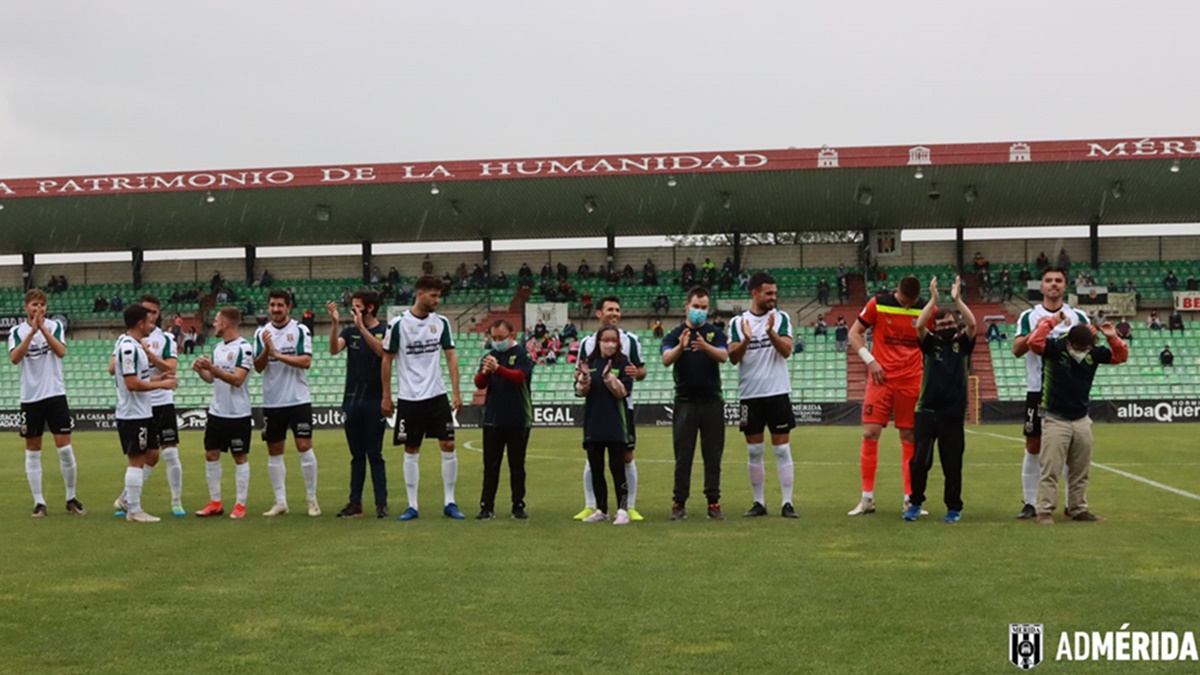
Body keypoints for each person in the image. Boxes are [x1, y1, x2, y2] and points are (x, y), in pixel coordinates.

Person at [1027, 317, 1127, 524]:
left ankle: (1078, 509)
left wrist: (1112, 337)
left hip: (1081, 418)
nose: (1082, 352)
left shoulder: (1093, 353)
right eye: (1079, 348)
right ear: (1069, 343)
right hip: (1055, 418)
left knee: (1081, 469)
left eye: (1086, 348)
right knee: (1051, 468)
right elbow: (1034, 343)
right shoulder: (1055, 349)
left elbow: (1120, 356)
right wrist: (1049, 323)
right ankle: (1044, 510)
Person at [381, 275, 465, 521]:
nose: (437, 300)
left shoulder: (441, 323)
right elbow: (387, 359)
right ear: (420, 294)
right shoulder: (398, 324)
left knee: (448, 444)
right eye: (433, 295)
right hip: (409, 397)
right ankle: (412, 505)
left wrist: (457, 391)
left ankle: (450, 502)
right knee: (411, 448)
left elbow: (451, 356)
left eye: (439, 296)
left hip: (437, 395)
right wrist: (387, 395)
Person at [846, 275, 929, 517]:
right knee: (870, 432)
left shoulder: (925, 307)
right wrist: (870, 361)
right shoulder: (878, 303)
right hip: (880, 378)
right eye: (903, 301)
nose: (906, 306)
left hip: (911, 379)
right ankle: (867, 498)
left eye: (910, 302)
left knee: (909, 435)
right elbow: (854, 333)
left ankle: (909, 500)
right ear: (896, 292)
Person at [1012, 268, 1089, 519]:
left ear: (1065, 286)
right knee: (1033, 445)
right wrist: (1041, 331)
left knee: (1070, 448)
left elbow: (1089, 349)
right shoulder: (1029, 316)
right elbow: (1017, 350)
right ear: (1041, 287)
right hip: (1038, 390)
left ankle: (1071, 505)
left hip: (1069, 391)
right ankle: (1031, 503)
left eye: (1058, 280)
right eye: (1048, 281)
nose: (1053, 284)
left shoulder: (1078, 316)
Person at [905, 276, 976, 523]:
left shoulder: (963, 344)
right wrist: (934, 299)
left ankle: (954, 508)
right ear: (936, 326)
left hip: (953, 413)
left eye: (951, 322)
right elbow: (920, 326)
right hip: (926, 410)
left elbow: (972, 324)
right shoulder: (931, 343)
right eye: (942, 323)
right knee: (920, 461)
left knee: (952, 463)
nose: (947, 326)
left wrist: (957, 300)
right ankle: (915, 503)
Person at [728, 273, 798, 519]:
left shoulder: (780, 318)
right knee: (754, 451)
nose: (773, 298)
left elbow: (787, 350)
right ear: (754, 293)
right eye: (769, 293)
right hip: (750, 395)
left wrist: (771, 334)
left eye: (775, 293)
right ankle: (759, 503)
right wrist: (746, 339)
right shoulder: (738, 322)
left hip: (777, 392)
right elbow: (733, 357)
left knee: (781, 450)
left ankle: (787, 503)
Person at [9, 289, 83, 518]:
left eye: (41, 304)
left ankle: (71, 497)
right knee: (33, 451)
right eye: (33, 305)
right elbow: (15, 358)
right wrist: (32, 333)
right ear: (26, 308)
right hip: (30, 397)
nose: (38, 309)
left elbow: (61, 351)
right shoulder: (17, 331)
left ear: (46, 307)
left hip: (55, 393)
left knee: (65, 448)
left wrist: (42, 329)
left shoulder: (55, 327)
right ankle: (39, 502)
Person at [110, 296, 184, 518]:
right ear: (140, 323)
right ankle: (133, 509)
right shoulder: (128, 348)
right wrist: (162, 383)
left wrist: (158, 377)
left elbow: (142, 376)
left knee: (152, 453)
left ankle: (130, 502)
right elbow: (131, 383)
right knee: (136, 459)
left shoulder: (138, 346)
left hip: (144, 411)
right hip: (132, 412)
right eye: (148, 319)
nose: (152, 322)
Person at [574, 296, 647, 521]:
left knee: (624, 457)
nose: (614, 313)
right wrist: (584, 380)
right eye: (609, 310)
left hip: (622, 408)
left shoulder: (631, 341)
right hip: (596, 410)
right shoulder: (586, 343)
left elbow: (641, 371)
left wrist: (634, 374)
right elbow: (579, 375)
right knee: (593, 458)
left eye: (617, 309)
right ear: (599, 313)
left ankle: (629, 506)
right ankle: (594, 506)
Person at [662, 288, 729, 521]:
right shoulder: (675, 334)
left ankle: (714, 502)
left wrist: (705, 347)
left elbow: (724, 356)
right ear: (686, 306)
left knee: (713, 456)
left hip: (712, 402)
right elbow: (665, 359)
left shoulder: (715, 333)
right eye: (696, 306)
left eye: (704, 307)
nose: (700, 311)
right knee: (683, 456)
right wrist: (681, 347)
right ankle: (679, 503)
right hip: (685, 403)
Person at [254, 289, 320, 517]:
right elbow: (258, 367)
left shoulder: (300, 330)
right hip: (273, 401)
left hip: (298, 399)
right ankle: (280, 501)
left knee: (304, 446)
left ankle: (312, 500)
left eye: (280, 305)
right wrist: (266, 350)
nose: (275, 309)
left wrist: (278, 354)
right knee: (274, 450)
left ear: (288, 307)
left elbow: (306, 361)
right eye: (272, 305)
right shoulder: (261, 333)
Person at [328, 292, 388, 519]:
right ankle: (355, 503)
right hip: (352, 400)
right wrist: (335, 324)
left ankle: (381, 503)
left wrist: (362, 328)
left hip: (375, 399)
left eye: (357, 307)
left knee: (375, 453)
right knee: (357, 455)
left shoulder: (385, 330)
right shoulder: (348, 331)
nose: (352, 310)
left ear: (370, 308)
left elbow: (382, 352)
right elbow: (334, 349)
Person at [473, 319, 533, 520]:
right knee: (490, 465)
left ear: (512, 336)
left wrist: (498, 369)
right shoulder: (489, 356)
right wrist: (487, 371)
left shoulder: (522, 354)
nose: (497, 341)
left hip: (517, 418)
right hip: (493, 418)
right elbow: (479, 382)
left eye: (501, 338)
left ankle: (518, 505)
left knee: (517, 465)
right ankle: (486, 506)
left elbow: (519, 378)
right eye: (494, 338)